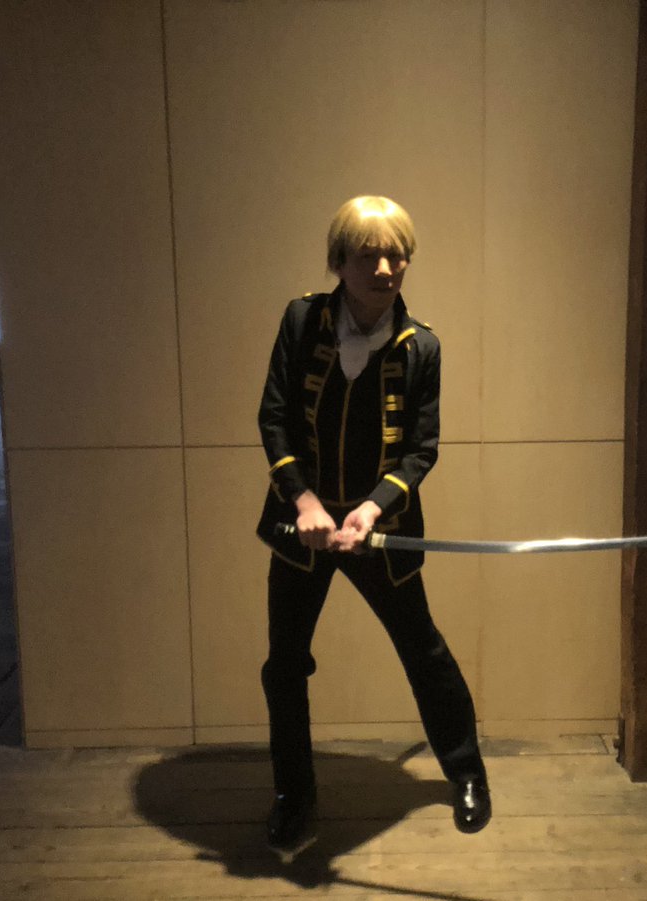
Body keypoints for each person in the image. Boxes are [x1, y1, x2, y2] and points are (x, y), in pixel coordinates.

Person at [255, 196, 490, 862]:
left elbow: (421, 449)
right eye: (369, 255)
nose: (386, 268)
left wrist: (371, 509)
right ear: (340, 261)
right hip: (302, 532)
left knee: (425, 652)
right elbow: (274, 418)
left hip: (380, 534)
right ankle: (294, 794)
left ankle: (467, 773)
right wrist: (303, 501)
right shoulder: (301, 320)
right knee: (285, 666)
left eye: (397, 255)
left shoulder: (423, 347)